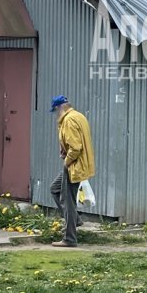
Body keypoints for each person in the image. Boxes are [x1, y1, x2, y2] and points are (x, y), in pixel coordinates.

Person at [48, 94, 94, 248]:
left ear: (59, 108)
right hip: (80, 164)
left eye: (55, 111)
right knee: (55, 189)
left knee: (68, 201)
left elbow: (75, 147)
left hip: (74, 165)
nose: (56, 115)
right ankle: (75, 221)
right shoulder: (79, 116)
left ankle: (70, 238)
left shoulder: (68, 120)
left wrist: (66, 162)